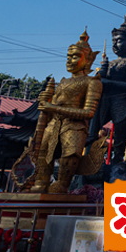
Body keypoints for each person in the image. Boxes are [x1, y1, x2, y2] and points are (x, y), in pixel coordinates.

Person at [32, 31, 103, 193]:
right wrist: (46, 103)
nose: (70, 61)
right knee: (43, 153)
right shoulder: (63, 82)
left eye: (75, 57)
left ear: (88, 60)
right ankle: (41, 181)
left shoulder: (92, 82)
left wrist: (53, 108)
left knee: (70, 155)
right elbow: (52, 107)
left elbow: (88, 112)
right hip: (54, 123)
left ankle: (62, 184)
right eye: (68, 57)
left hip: (74, 126)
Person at [88, 10, 126, 164]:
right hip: (105, 101)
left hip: (122, 102)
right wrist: (101, 75)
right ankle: (90, 157)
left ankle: (117, 162)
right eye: (114, 41)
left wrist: (108, 83)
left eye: (119, 40)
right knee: (91, 130)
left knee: (120, 137)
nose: (115, 44)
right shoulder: (110, 63)